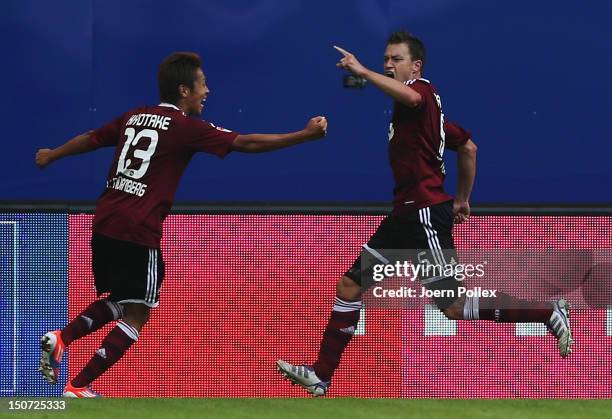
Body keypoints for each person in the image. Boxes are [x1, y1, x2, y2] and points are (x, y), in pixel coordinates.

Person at [276, 31, 573, 396]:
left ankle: (547, 312)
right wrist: (462, 200)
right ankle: (321, 374)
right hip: (404, 217)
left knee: (452, 305)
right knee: (350, 286)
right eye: (385, 59)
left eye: (395, 59)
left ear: (415, 66)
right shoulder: (423, 119)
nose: (388, 64)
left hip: (424, 216)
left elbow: (415, 97)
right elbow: (469, 148)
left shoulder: (424, 92)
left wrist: (365, 72)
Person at [35, 51, 328, 397]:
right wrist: (303, 135)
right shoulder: (187, 128)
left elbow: (91, 137)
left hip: (105, 220)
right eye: (203, 84)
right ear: (184, 90)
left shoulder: (134, 116)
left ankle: (62, 339)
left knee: (126, 298)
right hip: (138, 227)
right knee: (139, 311)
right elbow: (245, 143)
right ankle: (77, 385)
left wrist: (53, 153)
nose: (208, 90)